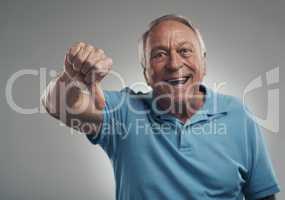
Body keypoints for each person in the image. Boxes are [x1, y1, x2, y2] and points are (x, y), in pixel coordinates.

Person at [41, 14, 280, 200]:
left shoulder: (237, 114)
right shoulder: (123, 113)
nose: (175, 64)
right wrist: (72, 76)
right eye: (160, 54)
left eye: (185, 51)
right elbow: (56, 104)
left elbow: (263, 195)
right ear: (146, 73)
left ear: (203, 63)